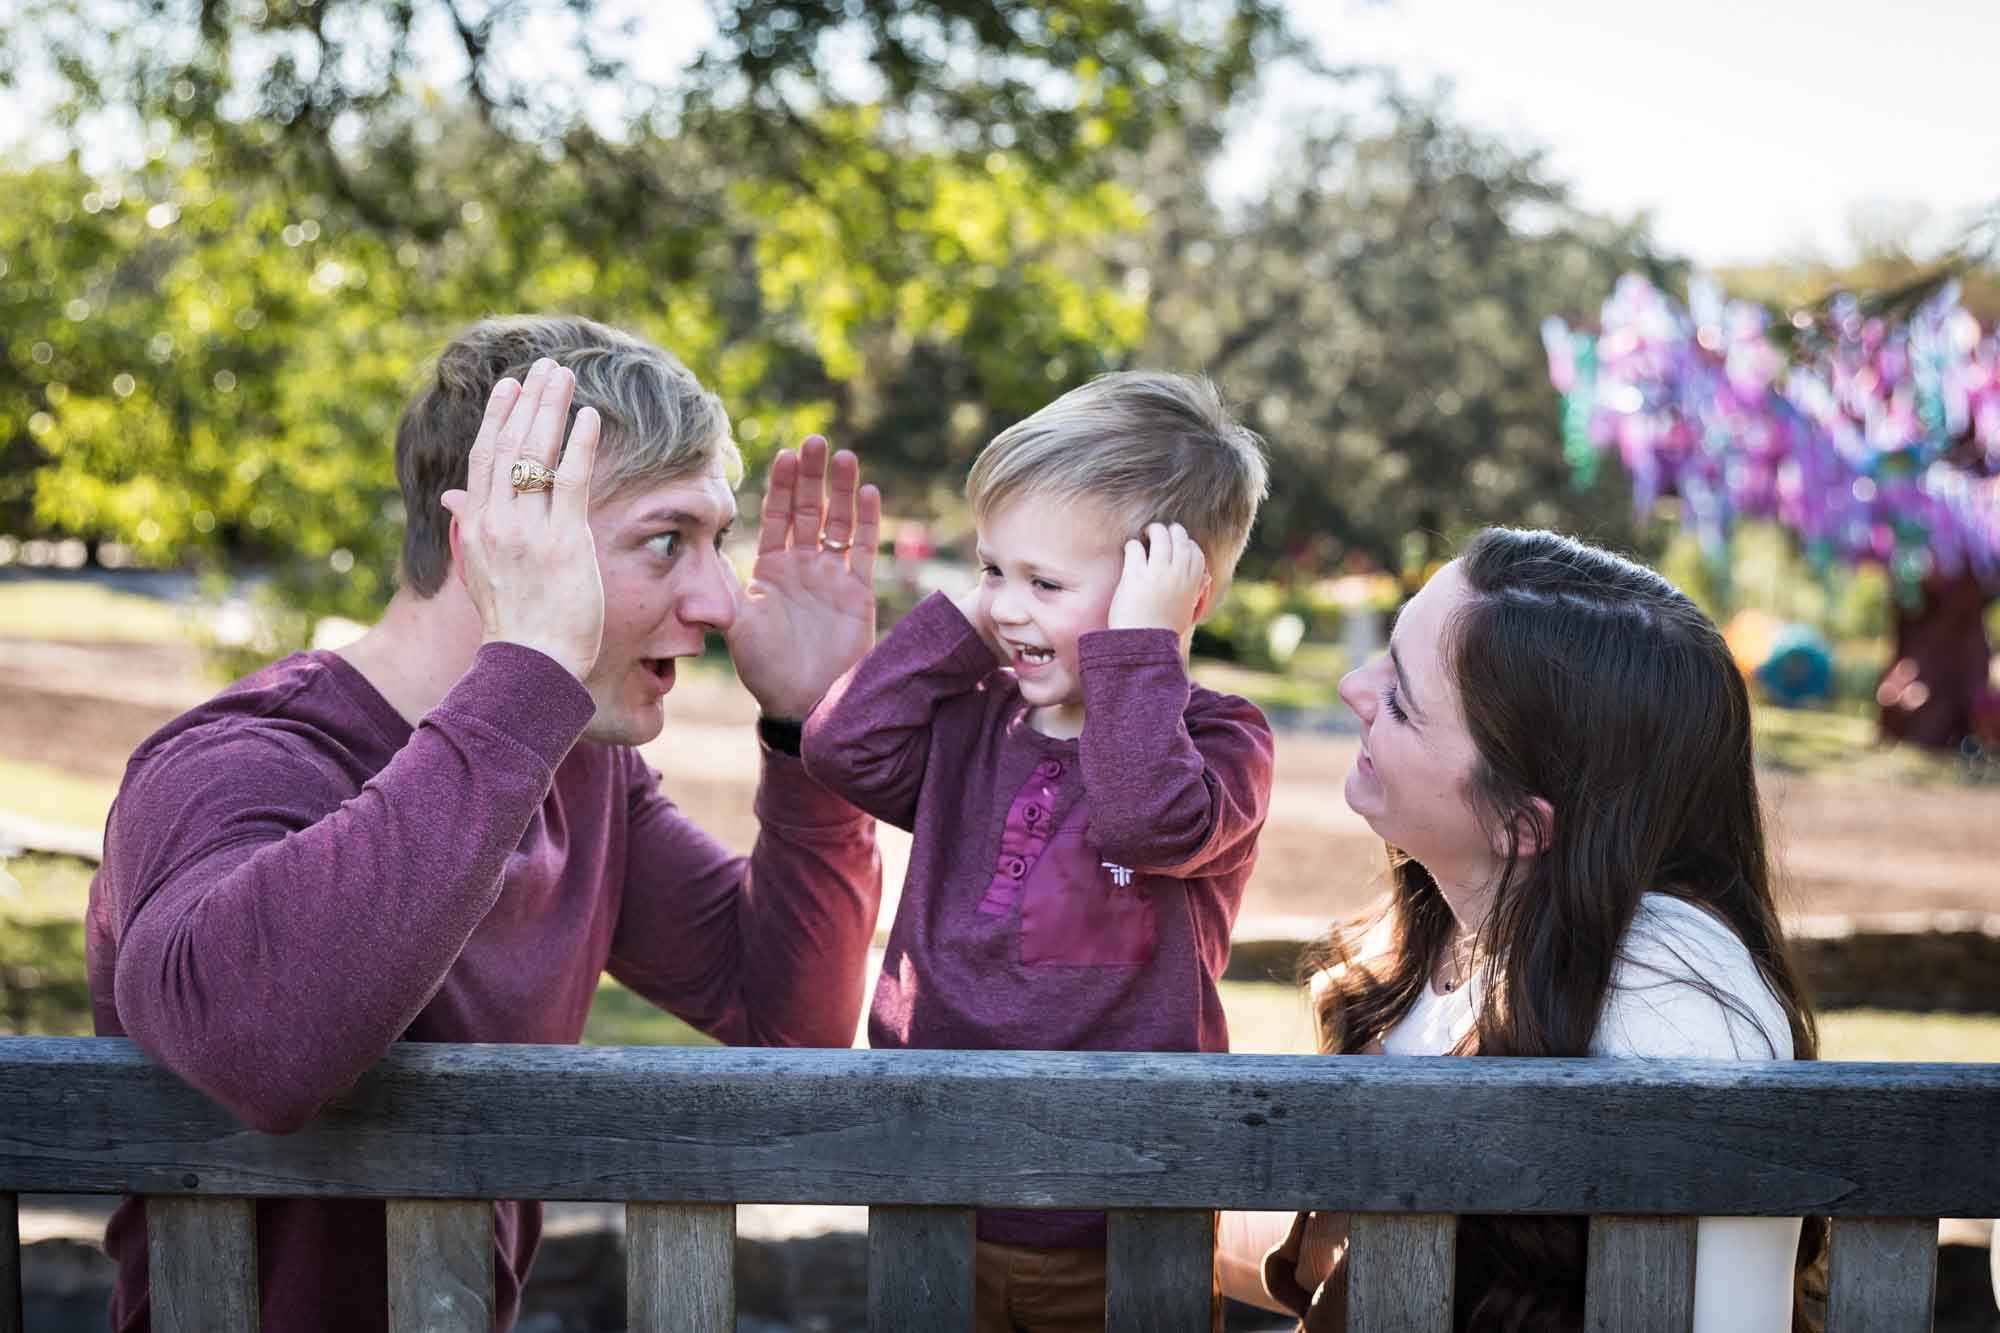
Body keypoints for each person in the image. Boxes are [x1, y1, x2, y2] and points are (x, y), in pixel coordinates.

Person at [85, 316, 886, 1333]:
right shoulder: (237, 764)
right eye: (665, 540)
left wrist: (805, 734)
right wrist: (531, 672)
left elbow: (787, 1025)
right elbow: (260, 1051)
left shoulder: (583, 775)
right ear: (491, 547)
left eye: (713, 541)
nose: (721, 600)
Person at [1218, 526, 1824, 1332]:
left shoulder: (1674, 992)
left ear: (1521, 826)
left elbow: (1732, 1317)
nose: (1352, 689)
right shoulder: (1447, 934)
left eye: (1400, 698)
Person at [802, 371, 1276, 1332]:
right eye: (993, 569)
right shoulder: (972, 728)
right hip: (934, 1191)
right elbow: (840, 746)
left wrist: (1139, 651)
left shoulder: (1219, 742)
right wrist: (965, 619)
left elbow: (1146, 824)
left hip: (1123, 1216)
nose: (1010, 608)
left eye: (1044, 583)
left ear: (1177, 591)